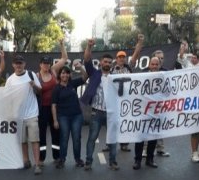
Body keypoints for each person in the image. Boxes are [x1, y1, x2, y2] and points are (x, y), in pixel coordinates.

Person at [80, 39, 118, 171]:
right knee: (92, 138)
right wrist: (89, 46)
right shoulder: (95, 73)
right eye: (105, 61)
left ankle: (113, 162)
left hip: (112, 113)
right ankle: (88, 162)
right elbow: (86, 59)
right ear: (101, 62)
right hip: (96, 112)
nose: (107, 63)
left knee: (113, 138)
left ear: (111, 64)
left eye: (109, 62)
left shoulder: (116, 77)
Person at [5, 55, 43, 175]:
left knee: (35, 140)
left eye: (20, 63)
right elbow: (7, 97)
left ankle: (37, 164)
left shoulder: (31, 75)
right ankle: (26, 161)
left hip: (32, 114)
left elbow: (40, 91)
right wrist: (10, 113)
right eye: (16, 63)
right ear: (13, 65)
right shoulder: (10, 80)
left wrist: (34, 85)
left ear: (24, 64)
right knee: (22, 140)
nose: (18, 65)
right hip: (18, 115)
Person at [107, 34, 145, 153]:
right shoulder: (111, 69)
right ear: (116, 59)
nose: (122, 59)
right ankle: (110, 143)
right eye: (120, 57)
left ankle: (124, 144)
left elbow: (136, 54)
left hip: (127, 99)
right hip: (115, 99)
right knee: (113, 122)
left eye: (123, 57)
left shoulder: (129, 67)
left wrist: (140, 42)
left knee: (125, 121)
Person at [37, 40, 68, 166]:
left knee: (56, 133)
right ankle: (41, 158)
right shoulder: (36, 76)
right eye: (44, 63)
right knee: (42, 134)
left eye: (48, 63)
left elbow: (64, 58)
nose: (46, 65)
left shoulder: (54, 71)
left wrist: (61, 45)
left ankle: (56, 157)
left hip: (55, 108)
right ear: (40, 64)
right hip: (42, 109)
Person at [52, 64, 88, 169]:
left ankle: (78, 159)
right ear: (59, 75)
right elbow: (54, 106)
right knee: (64, 138)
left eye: (67, 73)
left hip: (76, 115)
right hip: (63, 117)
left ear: (69, 75)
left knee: (76, 138)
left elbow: (85, 77)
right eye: (63, 73)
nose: (65, 75)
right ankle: (62, 160)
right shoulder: (56, 89)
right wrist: (55, 120)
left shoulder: (73, 83)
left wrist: (81, 67)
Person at [133, 57, 160, 170]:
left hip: (157, 111)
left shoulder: (164, 75)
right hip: (143, 111)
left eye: (156, 64)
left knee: (153, 137)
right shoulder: (142, 75)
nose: (154, 66)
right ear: (149, 65)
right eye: (152, 64)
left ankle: (150, 159)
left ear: (159, 65)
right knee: (140, 137)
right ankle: (137, 160)